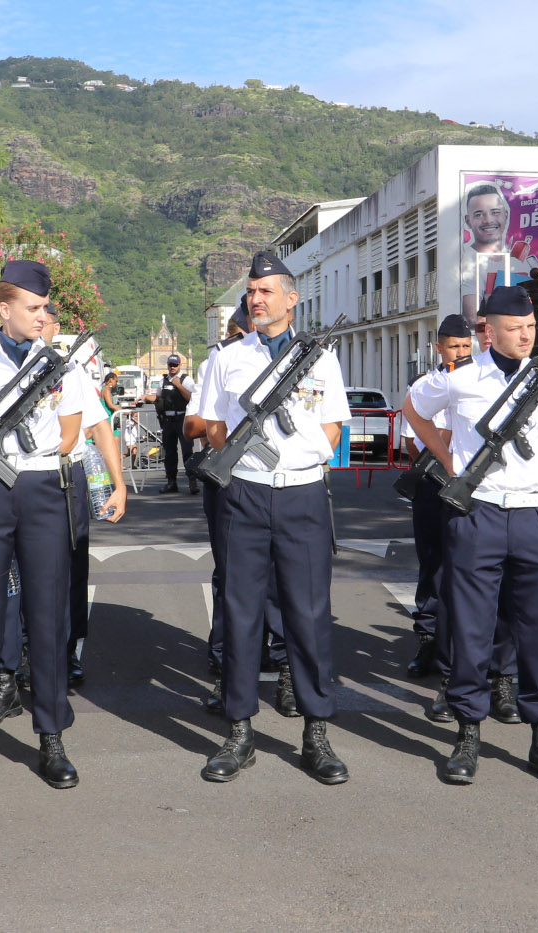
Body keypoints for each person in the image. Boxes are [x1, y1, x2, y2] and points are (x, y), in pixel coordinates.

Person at [403, 285, 538, 785]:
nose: (525, 336)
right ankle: (467, 732)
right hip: (478, 513)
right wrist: (449, 461)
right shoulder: (462, 379)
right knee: (470, 624)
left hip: (534, 515)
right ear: (489, 331)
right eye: (514, 329)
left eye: (530, 328)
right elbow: (413, 409)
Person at [0, 259, 103, 795]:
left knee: (48, 614)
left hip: (41, 488)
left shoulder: (63, 365)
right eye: (33, 308)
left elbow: (69, 432)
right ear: (4, 309)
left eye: (44, 308)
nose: (42, 317)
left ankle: (52, 736)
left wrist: (24, 454)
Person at [196, 250, 351, 784]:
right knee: (241, 613)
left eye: (265, 291)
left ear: (292, 297)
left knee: (308, 615)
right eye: (251, 292)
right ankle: (239, 731)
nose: (255, 299)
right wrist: (247, 465)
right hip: (245, 494)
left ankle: (316, 733)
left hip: (303, 498)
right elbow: (214, 428)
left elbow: (332, 430)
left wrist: (294, 462)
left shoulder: (321, 359)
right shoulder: (227, 358)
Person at [189, 303, 289, 715]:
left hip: (286, 483)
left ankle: (285, 670)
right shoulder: (219, 361)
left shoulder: (297, 357)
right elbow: (196, 425)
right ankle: (227, 672)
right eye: (243, 327)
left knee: (284, 581)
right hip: (232, 478)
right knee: (232, 580)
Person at [45, 317, 128, 686]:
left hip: (67, 476)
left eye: (45, 317)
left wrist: (118, 483)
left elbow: (98, 428)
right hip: (16, 477)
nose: (39, 323)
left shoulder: (71, 371)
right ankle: (18, 653)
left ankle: (66, 647)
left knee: (72, 566)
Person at [402, 314, 475, 681]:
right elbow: (409, 439)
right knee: (432, 563)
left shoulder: (483, 383)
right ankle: (429, 637)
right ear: (439, 348)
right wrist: (443, 443)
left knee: (469, 567)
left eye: (466, 346)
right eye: (454, 346)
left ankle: (464, 645)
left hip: (470, 485)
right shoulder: (425, 385)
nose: (461, 352)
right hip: (433, 481)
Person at [458, 182, 530, 322]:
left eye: (495, 212)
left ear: (506, 215)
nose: (488, 220)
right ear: (468, 221)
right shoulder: (470, 262)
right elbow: (473, 317)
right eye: (479, 214)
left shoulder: (517, 263)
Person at [147, 353, 197, 493]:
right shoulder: (163, 381)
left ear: (180, 365)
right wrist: (145, 397)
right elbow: (157, 397)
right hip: (168, 421)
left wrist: (179, 386)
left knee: (187, 452)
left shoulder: (186, 380)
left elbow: (192, 398)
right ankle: (171, 482)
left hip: (182, 420)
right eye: (170, 365)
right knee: (169, 453)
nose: (172, 367)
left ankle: (192, 482)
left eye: (175, 365)